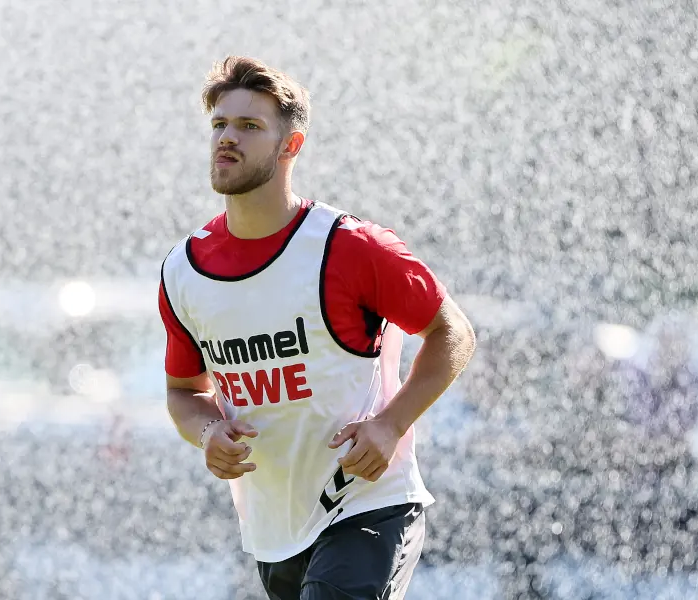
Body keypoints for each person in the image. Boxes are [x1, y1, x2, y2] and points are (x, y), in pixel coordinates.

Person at [158, 55, 477, 600]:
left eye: (249, 126)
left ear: (291, 146)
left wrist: (389, 425)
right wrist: (208, 433)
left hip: (367, 505)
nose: (227, 138)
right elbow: (184, 394)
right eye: (219, 125)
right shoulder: (184, 269)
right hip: (273, 532)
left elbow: (454, 334)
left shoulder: (352, 246)